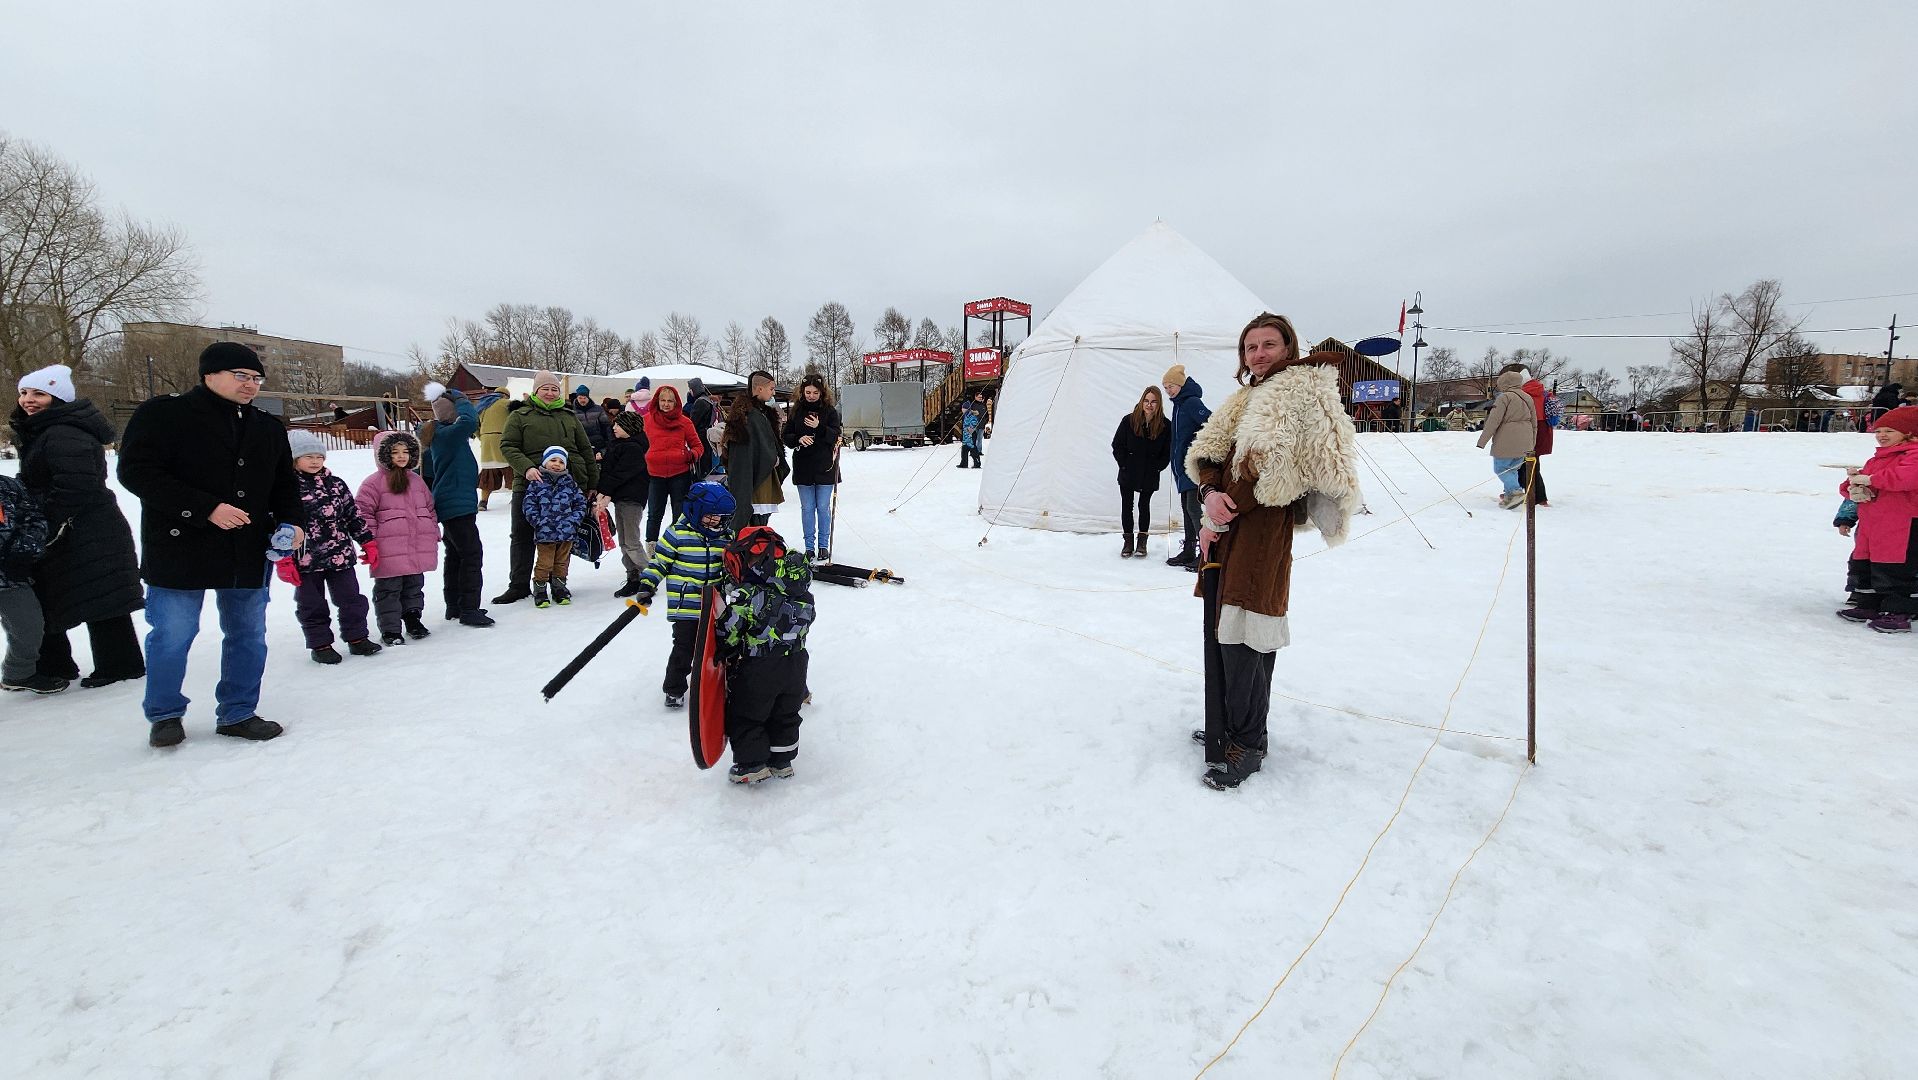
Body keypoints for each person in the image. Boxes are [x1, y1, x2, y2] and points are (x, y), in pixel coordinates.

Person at [1184, 314, 1360, 790]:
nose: (1259, 354)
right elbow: (1215, 455)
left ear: (1288, 347)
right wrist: (1209, 499)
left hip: (1264, 527)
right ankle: (1226, 722)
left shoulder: (1301, 392)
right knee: (1225, 625)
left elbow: (1284, 463)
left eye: (1269, 345)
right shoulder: (1244, 397)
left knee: (1249, 630)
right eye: (1250, 347)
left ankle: (1248, 740)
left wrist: (1225, 506)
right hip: (1227, 523)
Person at [117, 342, 304, 748]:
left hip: (247, 549)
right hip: (180, 548)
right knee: (172, 634)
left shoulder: (266, 427)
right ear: (209, 375)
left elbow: (284, 484)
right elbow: (137, 472)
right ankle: (165, 714)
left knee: (248, 634)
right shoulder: (164, 415)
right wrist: (204, 509)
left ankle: (238, 711)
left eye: (256, 378)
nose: (251, 385)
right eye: (242, 376)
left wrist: (292, 522)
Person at [10, 364, 146, 687]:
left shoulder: (63, 433)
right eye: (24, 393)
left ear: (57, 399)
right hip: (76, 528)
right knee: (77, 595)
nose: (28, 400)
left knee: (99, 597)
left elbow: (76, 487)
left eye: (39, 394)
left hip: (84, 529)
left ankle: (116, 667)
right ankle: (64, 665)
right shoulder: (45, 430)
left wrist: (41, 523)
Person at [714, 525, 815, 784]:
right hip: (796, 664)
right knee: (785, 712)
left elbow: (730, 629)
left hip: (760, 664)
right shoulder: (802, 591)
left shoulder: (749, 594)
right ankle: (782, 761)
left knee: (748, 713)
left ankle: (751, 764)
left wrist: (723, 646)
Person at [492, 370, 596, 604]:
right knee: (522, 534)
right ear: (536, 391)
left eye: (554, 389)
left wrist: (591, 483)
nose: (550, 393)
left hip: (566, 485)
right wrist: (527, 467)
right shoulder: (520, 415)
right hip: (530, 483)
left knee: (563, 536)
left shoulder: (569, 417)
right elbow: (508, 445)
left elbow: (585, 450)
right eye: (545, 389)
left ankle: (557, 583)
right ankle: (518, 585)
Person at [280, 430, 381, 663]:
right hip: (305, 559)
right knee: (311, 604)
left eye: (319, 456)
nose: (315, 461)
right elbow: (278, 524)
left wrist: (367, 541)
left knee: (351, 598)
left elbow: (352, 515)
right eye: (308, 457)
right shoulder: (286, 488)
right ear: (294, 459)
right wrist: (283, 558)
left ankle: (357, 638)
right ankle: (320, 644)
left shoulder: (335, 484)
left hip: (340, 555)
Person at [634, 479, 735, 708]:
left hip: (714, 606)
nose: (715, 522)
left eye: (720, 517)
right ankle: (674, 688)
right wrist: (647, 586)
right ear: (695, 511)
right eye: (710, 516)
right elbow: (659, 563)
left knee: (721, 645)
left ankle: (722, 685)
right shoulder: (677, 534)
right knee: (684, 649)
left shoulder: (725, 537)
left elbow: (730, 569)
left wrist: (733, 586)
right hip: (686, 606)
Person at [1835, 406, 1918, 633]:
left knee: (1896, 567)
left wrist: (1870, 480)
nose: (1882, 435)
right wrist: (1852, 487)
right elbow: (1861, 482)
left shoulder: (1914, 455)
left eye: (1889, 431)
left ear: (1909, 433)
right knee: (1866, 563)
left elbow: (1904, 478)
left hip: (1901, 524)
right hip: (1872, 524)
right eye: (1879, 430)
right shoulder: (1878, 458)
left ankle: (1899, 611)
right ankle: (1868, 602)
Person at [418, 383, 491, 627]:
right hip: (456, 503)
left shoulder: (439, 434)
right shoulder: (448, 434)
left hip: (453, 501)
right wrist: (460, 397)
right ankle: (469, 608)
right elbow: (471, 421)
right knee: (471, 554)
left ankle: (455, 605)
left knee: (457, 555)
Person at [355, 431, 438, 647]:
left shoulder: (416, 481)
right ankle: (391, 629)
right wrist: (370, 539)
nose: (401, 456)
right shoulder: (373, 483)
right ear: (383, 455)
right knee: (389, 589)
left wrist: (432, 529)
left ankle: (413, 619)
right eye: (394, 452)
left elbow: (429, 508)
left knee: (413, 585)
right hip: (388, 547)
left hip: (416, 545)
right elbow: (362, 513)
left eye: (405, 451)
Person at [0, 474, 58, 693]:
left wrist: (22, 551)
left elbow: (34, 518)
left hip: (8, 576)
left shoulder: (8, 486)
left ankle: (18, 673)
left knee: (29, 627)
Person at [782, 374, 843, 561]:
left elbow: (837, 437)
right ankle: (809, 547)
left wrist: (819, 427)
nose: (811, 396)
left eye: (815, 392)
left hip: (825, 466)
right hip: (804, 466)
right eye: (807, 392)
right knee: (807, 508)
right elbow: (786, 435)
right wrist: (798, 439)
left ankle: (823, 546)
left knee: (823, 507)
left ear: (822, 392)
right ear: (802, 392)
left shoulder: (830, 411)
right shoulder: (796, 411)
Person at [523, 446, 588, 608]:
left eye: (561, 462)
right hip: (545, 532)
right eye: (553, 460)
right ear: (545, 462)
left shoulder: (570, 483)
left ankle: (559, 587)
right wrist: (537, 520)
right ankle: (540, 589)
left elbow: (580, 503)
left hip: (566, 532)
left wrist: (574, 520)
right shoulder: (537, 483)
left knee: (562, 562)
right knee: (544, 562)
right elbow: (529, 504)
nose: (557, 464)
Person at [1111, 385, 1172, 558]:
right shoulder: (1129, 421)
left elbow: (1167, 451)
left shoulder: (1165, 426)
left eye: (1153, 401)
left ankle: (1142, 542)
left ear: (1159, 404)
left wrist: (1158, 466)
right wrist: (1124, 464)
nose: (1149, 405)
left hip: (1149, 473)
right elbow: (1117, 445)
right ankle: (1128, 542)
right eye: (1146, 400)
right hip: (1128, 471)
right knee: (1127, 505)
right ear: (1141, 401)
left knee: (1144, 505)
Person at [723, 370, 787, 530]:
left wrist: (775, 456)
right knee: (754, 521)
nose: (773, 393)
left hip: (763, 474)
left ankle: (758, 548)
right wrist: (772, 457)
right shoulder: (748, 416)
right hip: (754, 477)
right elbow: (746, 450)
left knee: (761, 520)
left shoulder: (761, 413)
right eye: (771, 389)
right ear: (759, 389)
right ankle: (751, 551)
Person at [599, 410, 653, 597]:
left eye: (618, 425)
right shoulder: (620, 444)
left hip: (632, 499)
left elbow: (619, 474)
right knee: (624, 541)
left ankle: (649, 578)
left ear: (629, 428)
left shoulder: (633, 448)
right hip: (622, 498)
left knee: (631, 541)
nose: (614, 428)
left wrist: (605, 491)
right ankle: (633, 577)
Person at [1164, 366, 1212, 569]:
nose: (1168, 391)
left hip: (1190, 466)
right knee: (1186, 509)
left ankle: (1206, 552)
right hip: (1180, 467)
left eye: (1171, 386)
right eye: (1166, 388)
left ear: (1180, 384)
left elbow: (1210, 422)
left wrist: (1198, 446)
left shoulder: (1191, 402)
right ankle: (1189, 550)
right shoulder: (1178, 405)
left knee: (1193, 509)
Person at [643, 384, 703, 546]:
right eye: (663, 400)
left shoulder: (685, 422)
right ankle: (652, 549)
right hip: (655, 475)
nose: (666, 404)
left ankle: (677, 546)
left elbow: (698, 446)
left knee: (679, 514)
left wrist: (690, 455)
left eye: (670, 401)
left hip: (680, 475)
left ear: (676, 403)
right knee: (654, 514)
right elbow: (640, 444)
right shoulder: (647, 421)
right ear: (657, 401)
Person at [1478, 370, 1537, 509]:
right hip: (1525, 440)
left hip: (1507, 440)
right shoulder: (1528, 398)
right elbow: (1534, 423)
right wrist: (1532, 443)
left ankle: (1515, 492)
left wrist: (1482, 440)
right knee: (1513, 469)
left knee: (1501, 468)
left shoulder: (1504, 398)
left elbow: (1494, 420)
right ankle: (1510, 497)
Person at [475, 386, 512, 511]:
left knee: (489, 473)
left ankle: (483, 502)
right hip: (503, 439)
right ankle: (517, 497)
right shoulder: (507, 404)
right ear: (506, 396)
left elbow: (475, 424)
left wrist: (482, 437)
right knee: (511, 470)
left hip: (487, 442)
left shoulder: (482, 405)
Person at [683, 377, 717, 478]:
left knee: (701, 465)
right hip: (706, 435)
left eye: (690, 389)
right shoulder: (707, 400)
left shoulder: (700, 402)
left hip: (700, 436)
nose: (690, 391)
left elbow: (692, 422)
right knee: (705, 462)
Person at [572, 385, 614, 459]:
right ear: (577, 398)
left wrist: (609, 443)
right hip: (581, 445)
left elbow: (606, 427)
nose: (582, 400)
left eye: (584, 398)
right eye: (580, 398)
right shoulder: (572, 411)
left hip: (599, 443)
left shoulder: (598, 409)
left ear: (588, 397)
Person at [957, 390, 988, 468]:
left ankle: (977, 463)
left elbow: (974, 422)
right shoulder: (965, 415)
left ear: (966, 409)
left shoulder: (971, 415)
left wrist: (971, 428)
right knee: (964, 450)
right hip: (966, 435)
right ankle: (964, 463)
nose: (962, 410)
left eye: (963, 409)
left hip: (971, 435)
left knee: (973, 449)